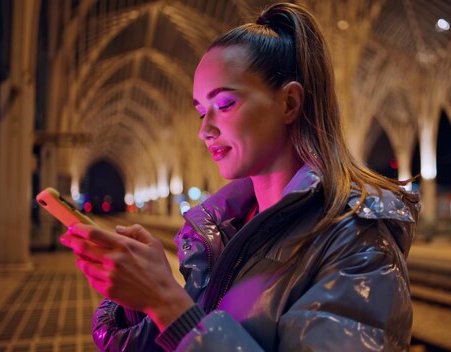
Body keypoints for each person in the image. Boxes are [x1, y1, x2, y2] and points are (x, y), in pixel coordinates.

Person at [60, 2, 420, 351]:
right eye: (201, 111)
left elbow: (192, 327)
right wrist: (138, 297)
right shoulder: (226, 230)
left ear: (290, 103)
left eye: (226, 104)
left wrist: (167, 302)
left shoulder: (359, 244)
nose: (204, 130)